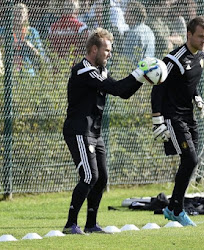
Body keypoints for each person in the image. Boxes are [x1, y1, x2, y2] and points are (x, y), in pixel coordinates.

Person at [62, 27, 159, 234]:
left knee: (102, 178)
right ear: (94, 49)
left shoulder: (100, 71)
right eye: (106, 50)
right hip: (79, 130)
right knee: (89, 177)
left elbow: (122, 92)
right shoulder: (83, 70)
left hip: (94, 133)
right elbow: (117, 89)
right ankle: (70, 224)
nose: (110, 54)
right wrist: (139, 72)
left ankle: (91, 224)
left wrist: (142, 78)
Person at [151, 16, 204, 227]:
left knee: (190, 161)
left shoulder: (201, 55)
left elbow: (190, 83)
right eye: (200, 36)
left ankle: (173, 207)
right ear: (189, 35)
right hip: (172, 117)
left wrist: (198, 99)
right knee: (191, 159)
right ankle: (176, 209)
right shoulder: (173, 59)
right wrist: (157, 120)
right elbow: (157, 88)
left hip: (188, 116)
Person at [12, 3, 46, 76]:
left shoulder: (32, 32)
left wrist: (29, 45)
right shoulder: (6, 31)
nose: (20, 15)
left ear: (26, 15)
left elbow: (41, 56)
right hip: (11, 68)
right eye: (17, 13)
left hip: (28, 70)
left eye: (22, 13)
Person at [122, 1, 155, 65]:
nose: (124, 14)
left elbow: (128, 59)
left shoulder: (133, 33)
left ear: (134, 16)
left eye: (127, 12)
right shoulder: (148, 30)